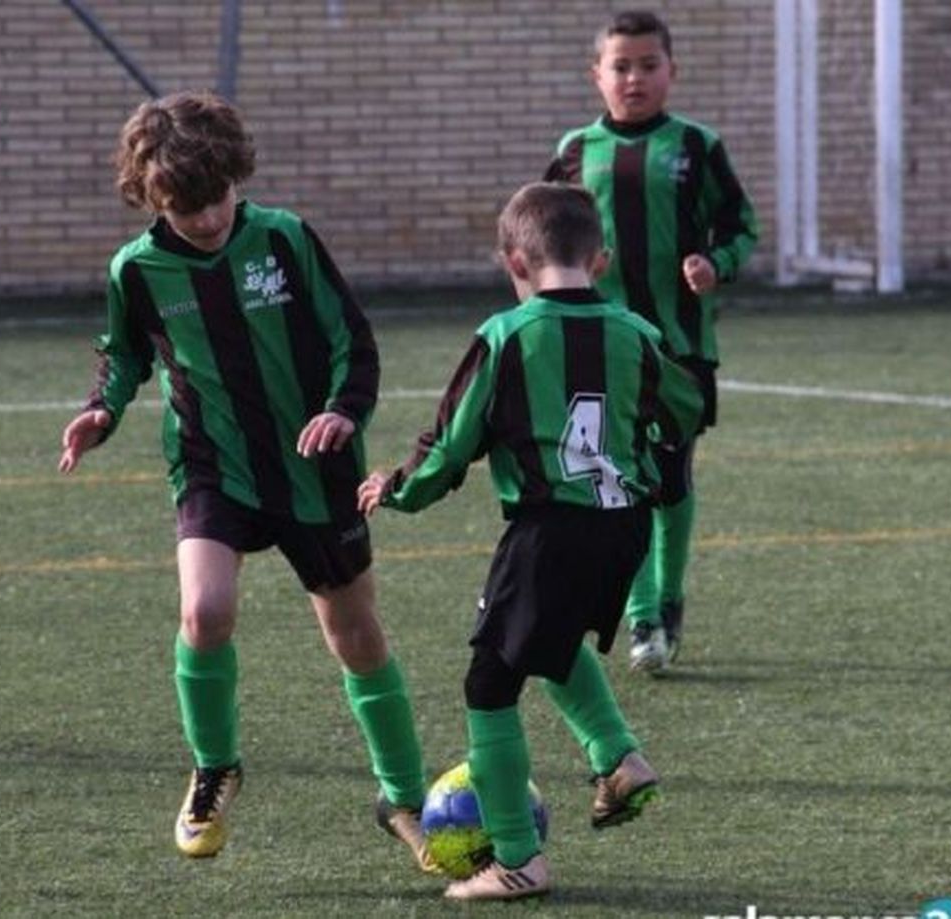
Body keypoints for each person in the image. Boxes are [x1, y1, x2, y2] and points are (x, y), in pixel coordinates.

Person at [57, 91, 434, 871]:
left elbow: (352, 342)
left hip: (315, 468)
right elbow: (124, 353)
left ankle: (401, 795)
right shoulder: (137, 270)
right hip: (212, 463)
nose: (205, 218)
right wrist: (104, 409)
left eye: (216, 196)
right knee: (205, 608)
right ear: (151, 198)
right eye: (184, 206)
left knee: (356, 637)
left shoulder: (286, 238)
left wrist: (341, 410)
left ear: (237, 175)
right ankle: (215, 765)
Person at [358, 182, 705, 900]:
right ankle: (618, 758)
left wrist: (395, 487)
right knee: (546, 644)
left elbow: (453, 444)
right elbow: (685, 406)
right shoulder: (635, 333)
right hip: (625, 524)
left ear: (513, 259)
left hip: (551, 528)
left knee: (489, 682)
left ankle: (517, 858)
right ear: (600, 260)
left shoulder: (507, 335)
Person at [545, 9, 761, 674]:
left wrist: (713, 264)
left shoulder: (696, 146)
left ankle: (669, 599)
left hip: (681, 349)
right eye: (620, 66)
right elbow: (546, 237)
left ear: (672, 71)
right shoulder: (577, 151)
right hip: (602, 350)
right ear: (597, 75)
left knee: (670, 480)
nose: (633, 78)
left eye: (647, 65)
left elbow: (741, 226)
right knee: (621, 479)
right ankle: (643, 616)